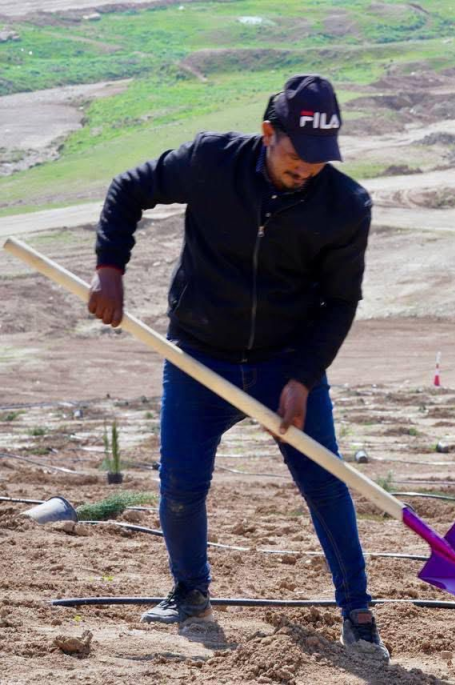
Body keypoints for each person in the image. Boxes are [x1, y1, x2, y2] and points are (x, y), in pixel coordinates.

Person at [88, 74, 388, 659]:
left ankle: (357, 611)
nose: (308, 169)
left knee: (325, 483)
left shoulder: (345, 206)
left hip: (286, 364)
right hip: (200, 356)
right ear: (268, 133)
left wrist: (303, 377)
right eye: (298, 155)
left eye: (321, 158)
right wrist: (109, 268)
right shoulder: (210, 161)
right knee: (181, 482)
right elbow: (129, 188)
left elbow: (339, 303)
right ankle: (190, 592)